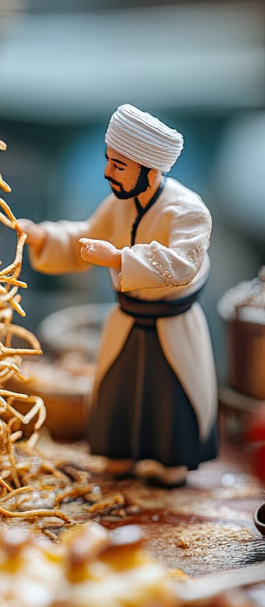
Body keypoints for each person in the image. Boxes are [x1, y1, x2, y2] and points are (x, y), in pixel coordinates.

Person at [18, 104, 218, 486]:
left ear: (150, 169)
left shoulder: (187, 211)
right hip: (127, 315)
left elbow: (183, 264)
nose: (108, 172)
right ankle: (120, 452)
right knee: (116, 388)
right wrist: (46, 236)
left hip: (172, 321)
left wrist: (119, 258)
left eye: (119, 165)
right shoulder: (119, 203)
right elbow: (85, 236)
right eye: (109, 161)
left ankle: (171, 459)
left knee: (170, 392)